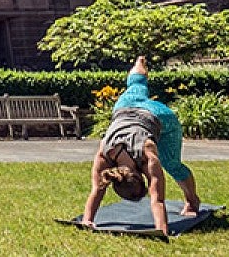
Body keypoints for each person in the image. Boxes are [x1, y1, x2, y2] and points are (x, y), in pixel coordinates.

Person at [82, 56, 200, 233]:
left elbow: (157, 199)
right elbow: (97, 190)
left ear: (139, 175)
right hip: (124, 108)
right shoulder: (104, 155)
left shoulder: (147, 156)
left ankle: (192, 202)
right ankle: (139, 63)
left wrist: (162, 230)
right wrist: (87, 220)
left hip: (159, 115)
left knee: (171, 164)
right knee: (136, 86)